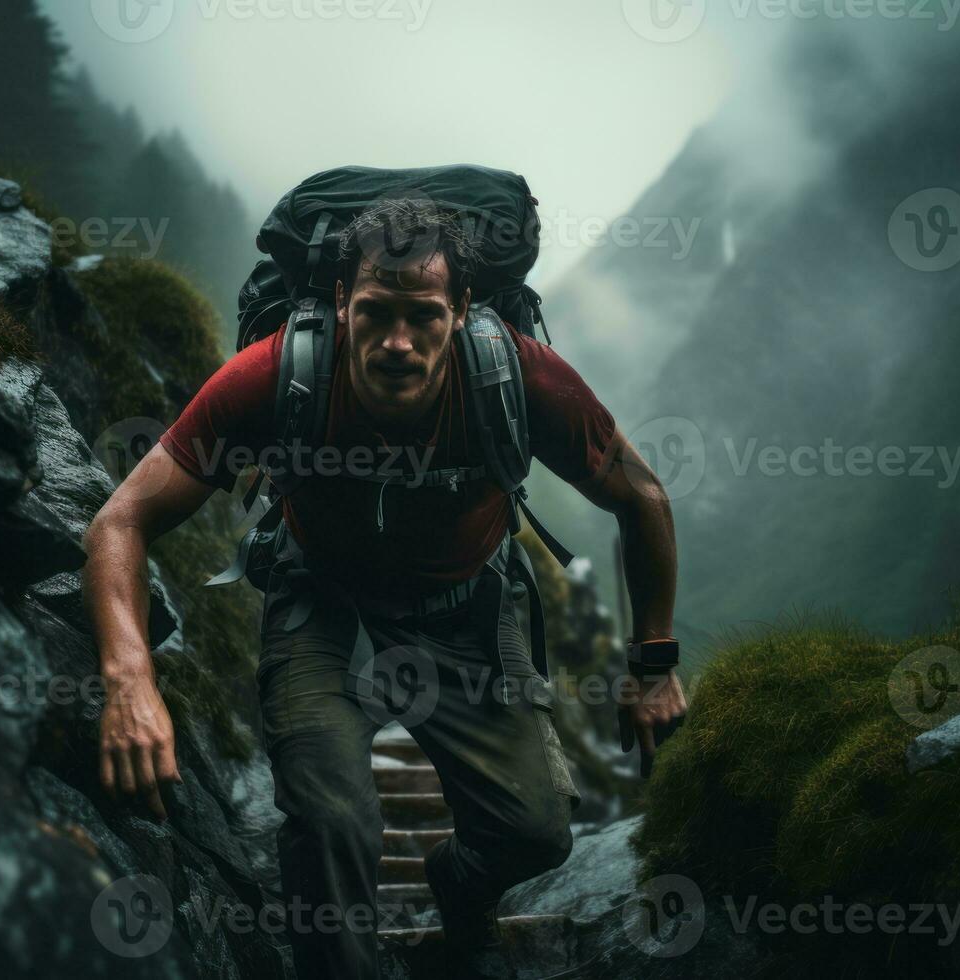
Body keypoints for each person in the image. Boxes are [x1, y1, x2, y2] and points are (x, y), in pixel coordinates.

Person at [82, 200, 685, 979]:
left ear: (462, 310)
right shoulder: (277, 375)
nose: (397, 342)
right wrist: (130, 680)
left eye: (423, 317)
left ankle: (457, 896)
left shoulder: (515, 377)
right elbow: (118, 522)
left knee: (534, 833)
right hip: (320, 607)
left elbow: (642, 497)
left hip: (469, 609)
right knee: (332, 820)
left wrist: (655, 662)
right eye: (374, 313)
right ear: (340, 302)